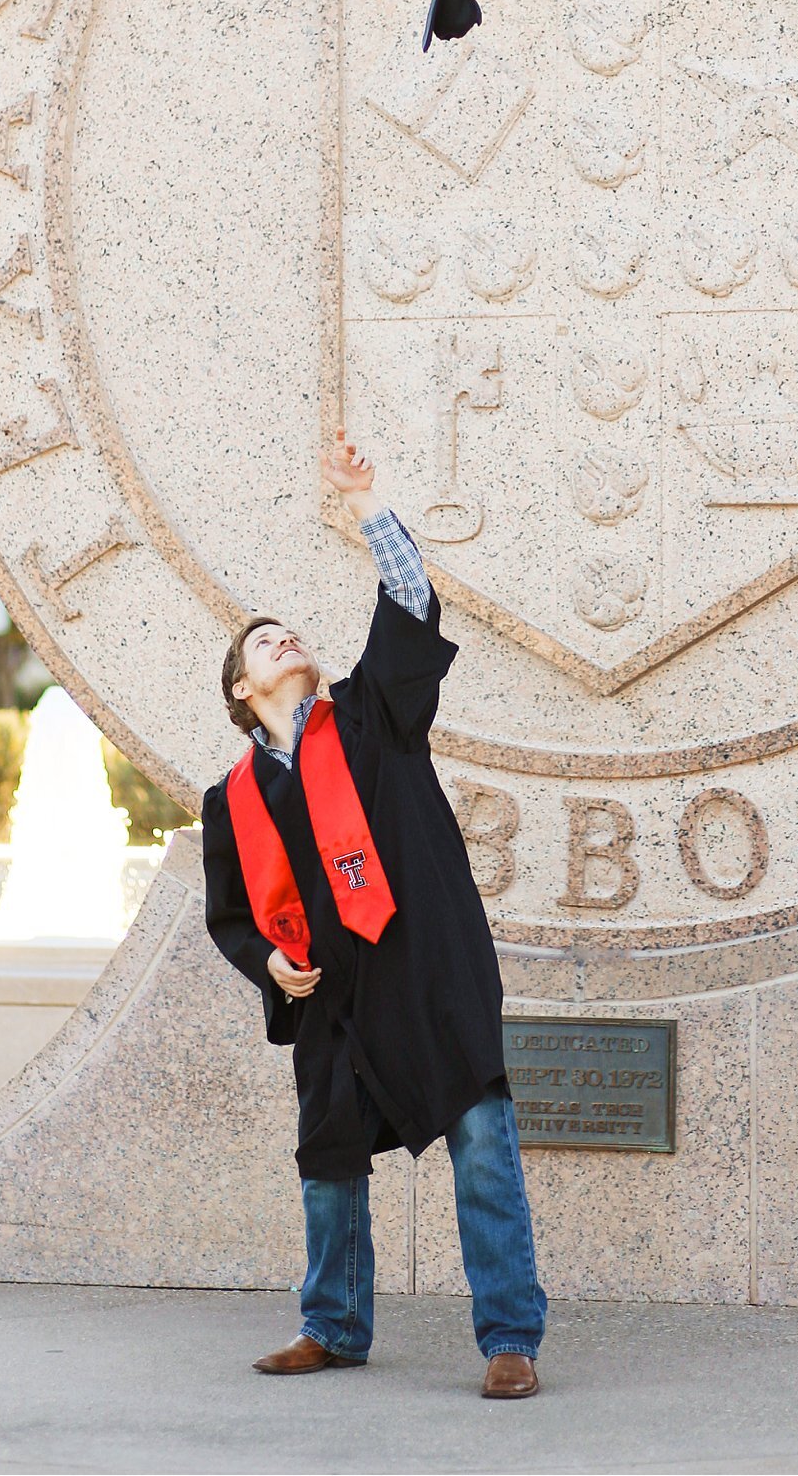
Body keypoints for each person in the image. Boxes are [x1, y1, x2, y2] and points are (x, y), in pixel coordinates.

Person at [201, 432, 547, 1398]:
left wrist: (366, 506)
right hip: (330, 996)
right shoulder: (228, 798)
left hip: (423, 963)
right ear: (243, 690)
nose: (285, 640)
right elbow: (230, 917)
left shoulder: (371, 717)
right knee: (330, 1160)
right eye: (263, 642)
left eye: (290, 633)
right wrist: (268, 966)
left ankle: (510, 1337)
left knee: (480, 1138)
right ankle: (334, 1326)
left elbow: (407, 604)